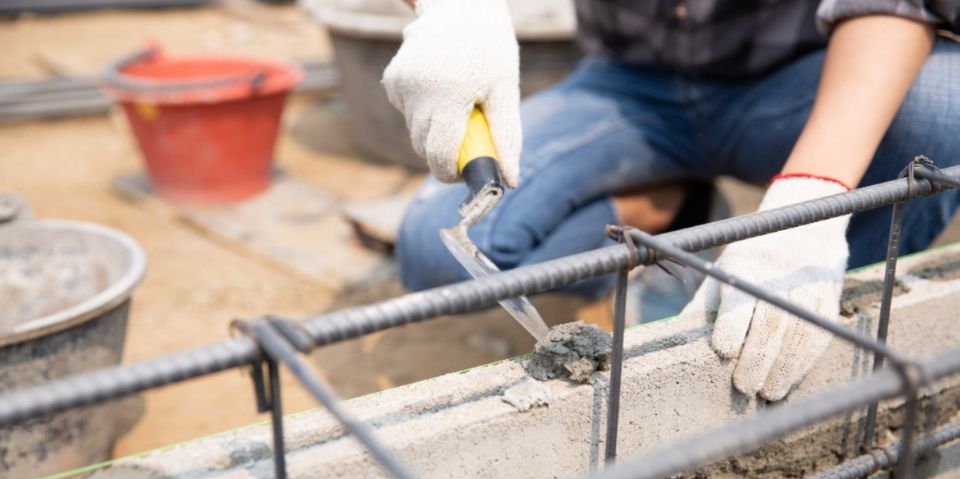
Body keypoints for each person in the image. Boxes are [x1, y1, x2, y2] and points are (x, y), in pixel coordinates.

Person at [382, 0, 960, 400]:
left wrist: (810, 199)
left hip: (797, 77)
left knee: (946, 103)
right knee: (436, 252)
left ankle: (797, 333)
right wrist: (453, 9)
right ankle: (663, 209)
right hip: (629, 86)